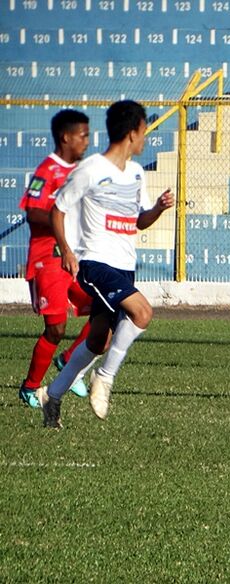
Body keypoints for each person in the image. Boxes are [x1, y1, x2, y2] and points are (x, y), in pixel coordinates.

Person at [38, 100, 174, 429]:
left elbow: (139, 221)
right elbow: (58, 209)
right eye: (144, 131)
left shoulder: (137, 173)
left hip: (124, 264)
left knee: (98, 340)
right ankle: (105, 377)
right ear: (131, 133)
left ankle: (51, 397)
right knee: (142, 312)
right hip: (96, 262)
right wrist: (68, 251)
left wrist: (157, 208)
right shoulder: (91, 169)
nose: (146, 138)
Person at [18, 109, 93, 408]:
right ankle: (30, 387)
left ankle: (68, 361)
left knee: (106, 311)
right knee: (56, 328)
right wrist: (59, 218)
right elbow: (32, 212)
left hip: (73, 257)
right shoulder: (47, 170)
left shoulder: (82, 171)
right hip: (47, 258)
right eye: (83, 135)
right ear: (66, 137)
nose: (87, 141)